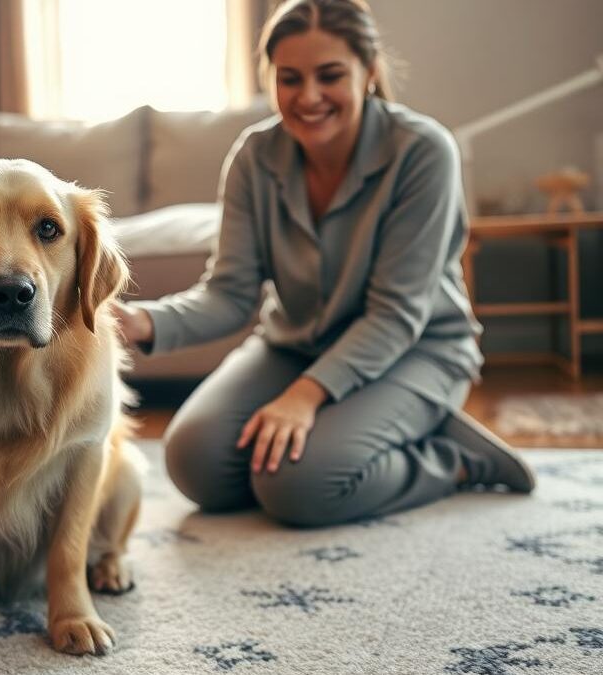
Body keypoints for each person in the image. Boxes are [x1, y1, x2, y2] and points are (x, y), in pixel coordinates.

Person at [113, 0, 535, 527]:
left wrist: (303, 398)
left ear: (369, 72)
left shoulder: (424, 152)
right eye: (290, 79)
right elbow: (230, 294)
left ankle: (455, 459)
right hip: (295, 347)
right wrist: (143, 321)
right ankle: (345, 440)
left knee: (300, 487)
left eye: (329, 75)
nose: (308, 97)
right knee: (195, 462)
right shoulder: (253, 157)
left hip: (416, 350)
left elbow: (395, 316)